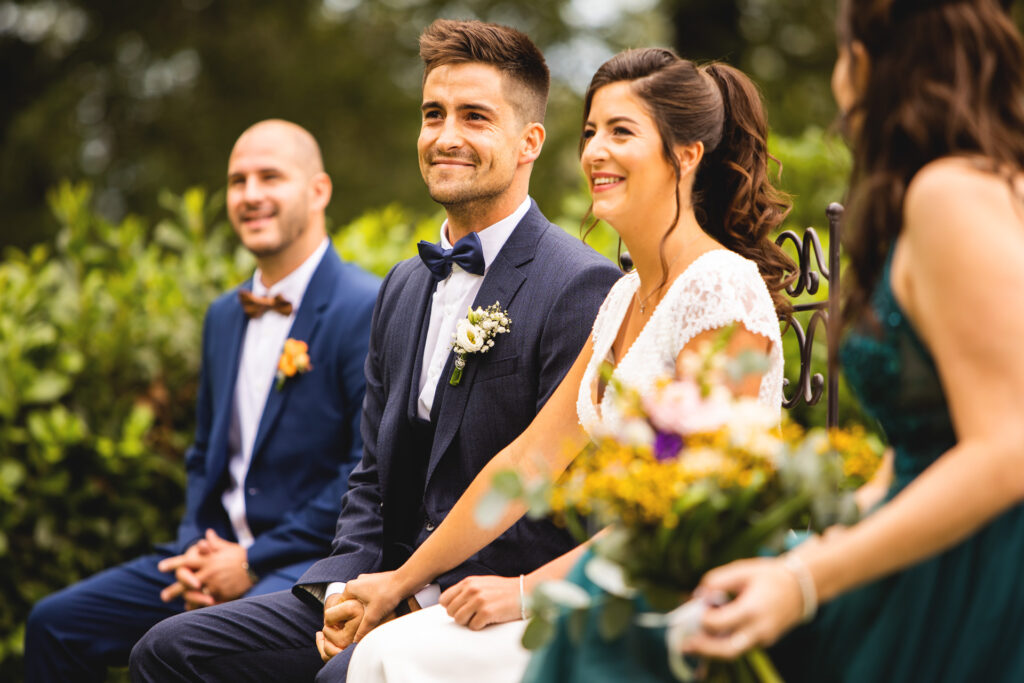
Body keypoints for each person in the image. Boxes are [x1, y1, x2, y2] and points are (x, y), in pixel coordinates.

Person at [128, 19, 621, 683]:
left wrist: (409, 594)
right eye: (432, 114)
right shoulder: (404, 284)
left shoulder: (578, 283)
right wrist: (343, 591)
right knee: (167, 650)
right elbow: (370, 475)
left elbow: (551, 496)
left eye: (475, 116)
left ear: (529, 140)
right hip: (372, 587)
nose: (445, 137)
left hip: (480, 602)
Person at [340, 47, 796, 682]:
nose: (596, 152)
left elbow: (689, 509)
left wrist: (527, 591)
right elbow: (527, 462)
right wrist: (399, 580)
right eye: (589, 132)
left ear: (686, 155)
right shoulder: (621, 298)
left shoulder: (722, 292)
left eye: (621, 131)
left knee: (402, 656)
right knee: (385, 648)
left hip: (689, 599)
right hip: (607, 578)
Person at [678, 0, 1024, 681]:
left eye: (841, 54)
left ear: (862, 63)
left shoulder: (950, 192)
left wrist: (806, 578)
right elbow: (919, 453)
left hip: (981, 580)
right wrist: (798, 553)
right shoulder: (977, 185)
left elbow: (1008, 444)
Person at [23, 119, 380, 682]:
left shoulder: (367, 305)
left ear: (318, 192)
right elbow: (203, 455)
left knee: (189, 650)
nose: (251, 195)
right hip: (210, 553)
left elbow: (361, 472)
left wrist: (248, 561)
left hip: (299, 563)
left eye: (270, 177)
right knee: (54, 623)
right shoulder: (222, 316)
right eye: (238, 181)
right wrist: (196, 552)